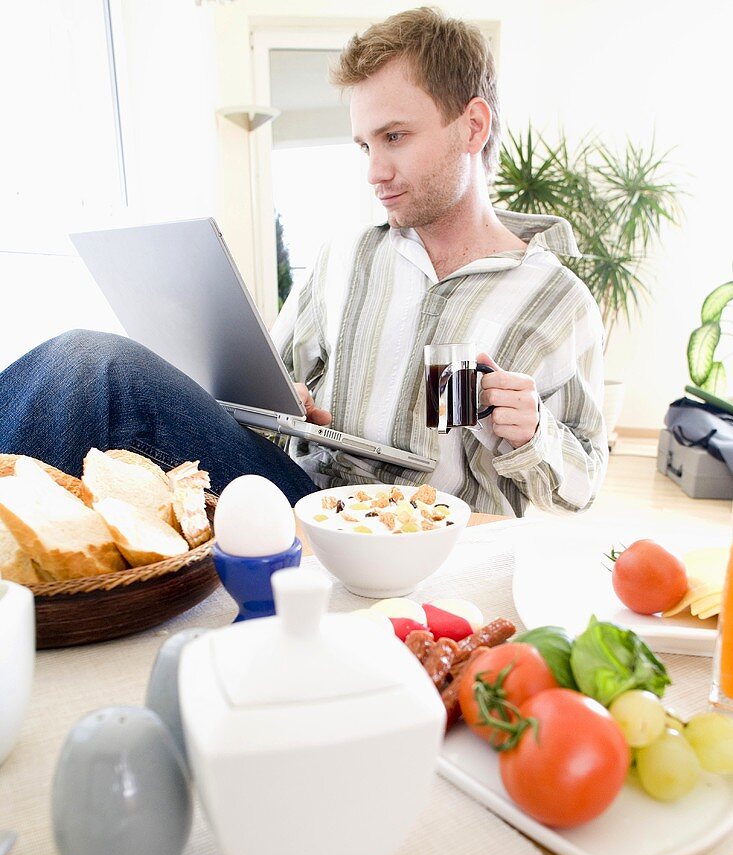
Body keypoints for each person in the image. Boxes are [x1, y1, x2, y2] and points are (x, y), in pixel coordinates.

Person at [0, 7, 606, 514]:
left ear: (472, 126)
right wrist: (289, 405)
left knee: (90, 361)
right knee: (91, 368)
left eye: (395, 137)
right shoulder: (345, 257)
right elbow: (270, 394)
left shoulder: (556, 302)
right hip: (309, 504)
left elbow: (584, 486)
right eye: (365, 145)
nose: (375, 172)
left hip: (442, 537)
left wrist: (532, 434)